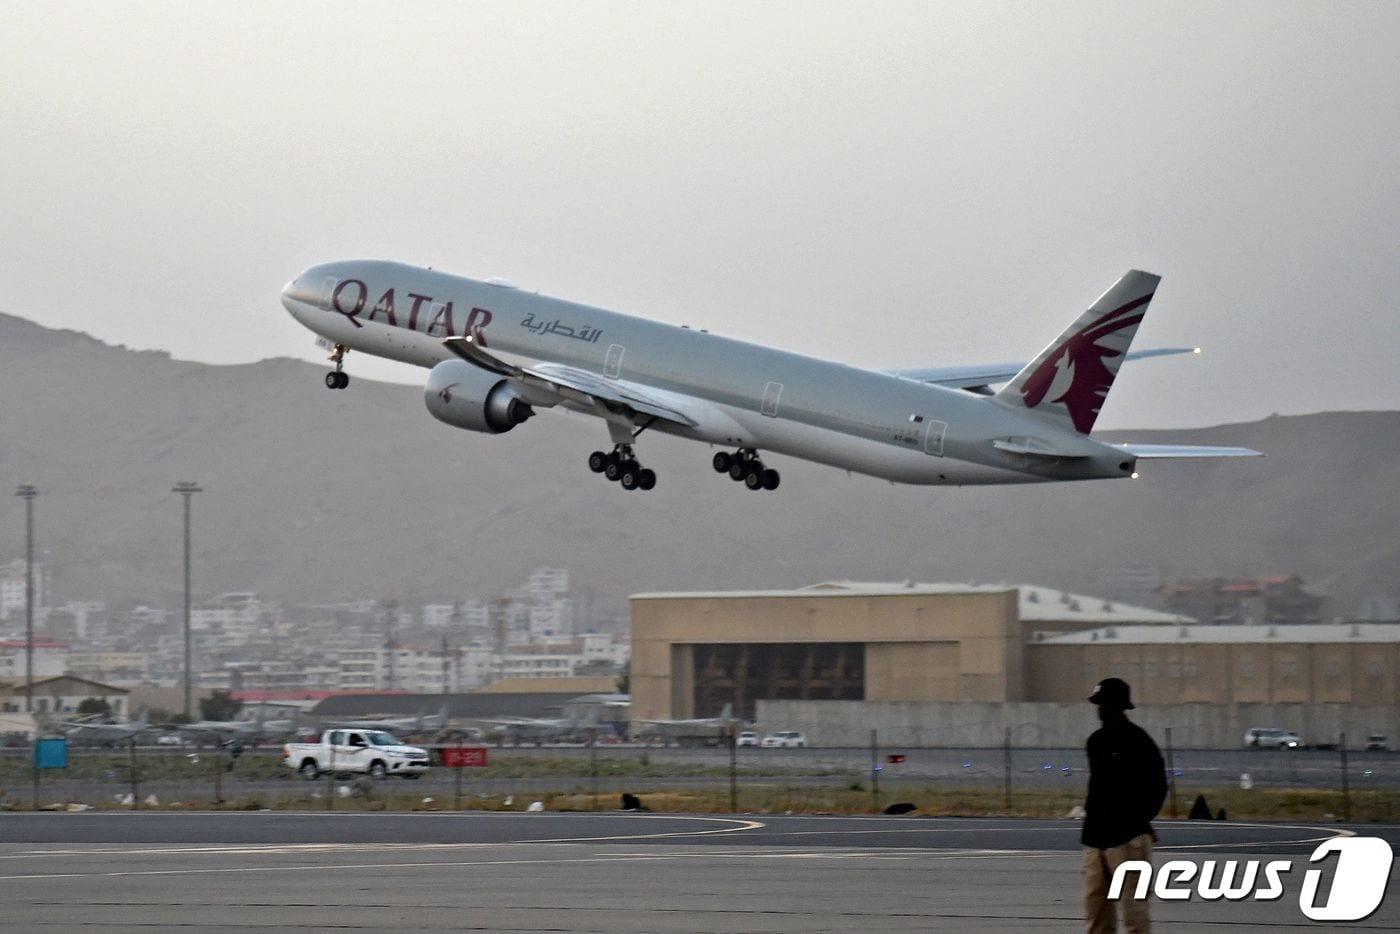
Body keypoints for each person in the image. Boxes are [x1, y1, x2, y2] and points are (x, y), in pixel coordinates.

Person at [1082, 677, 1167, 934]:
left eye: (1104, 703)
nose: (1099, 709)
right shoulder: (1095, 741)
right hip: (1097, 838)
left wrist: (1138, 821)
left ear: (1120, 706)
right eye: (1098, 703)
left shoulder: (1137, 740)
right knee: (1096, 911)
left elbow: (1158, 787)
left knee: (1134, 911)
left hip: (1128, 838)